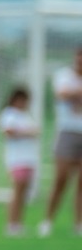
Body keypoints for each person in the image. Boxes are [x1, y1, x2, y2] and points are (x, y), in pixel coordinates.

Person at [40, 44, 82, 237]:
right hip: (67, 132)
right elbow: (62, 94)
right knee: (61, 179)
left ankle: (78, 224)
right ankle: (47, 220)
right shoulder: (64, 75)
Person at [0, 87, 38, 237]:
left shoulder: (25, 115)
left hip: (28, 158)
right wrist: (27, 133)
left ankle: (18, 223)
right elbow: (8, 132)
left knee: (23, 193)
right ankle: (11, 224)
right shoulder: (9, 114)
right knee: (17, 191)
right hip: (16, 159)